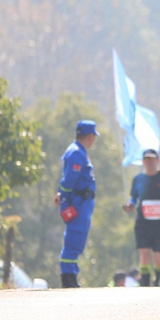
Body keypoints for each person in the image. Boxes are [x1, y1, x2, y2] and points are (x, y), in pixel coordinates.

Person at [124, 149, 160, 286]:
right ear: (143, 161)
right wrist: (130, 205)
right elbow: (134, 198)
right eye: (146, 160)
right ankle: (145, 284)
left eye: (152, 159)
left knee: (158, 257)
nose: (149, 162)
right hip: (143, 223)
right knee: (144, 254)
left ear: (158, 160)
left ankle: (157, 281)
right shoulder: (138, 179)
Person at [54, 120, 99, 288]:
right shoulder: (76, 153)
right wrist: (63, 196)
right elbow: (69, 180)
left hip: (82, 203)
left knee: (78, 240)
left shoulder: (80, 151)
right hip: (77, 203)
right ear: (90, 136)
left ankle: (72, 274)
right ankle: (67, 277)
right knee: (73, 239)